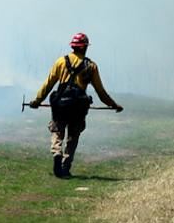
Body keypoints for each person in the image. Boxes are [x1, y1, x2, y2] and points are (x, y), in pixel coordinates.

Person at [26, 32, 123, 178]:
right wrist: (114, 105)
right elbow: (101, 92)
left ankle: (57, 154)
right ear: (85, 48)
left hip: (60, 105)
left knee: (57, 131)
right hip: (78, 107)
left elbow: (49, 84)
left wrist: (37, 101)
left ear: (73, 46)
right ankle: (65, 167)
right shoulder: (91, 66)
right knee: (73, 136)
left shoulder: (61, 62)